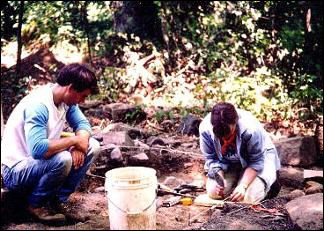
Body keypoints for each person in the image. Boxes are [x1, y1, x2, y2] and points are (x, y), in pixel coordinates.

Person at [1, 63, 101, 223]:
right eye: (82, 95)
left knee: (92, 146)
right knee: (63, 159)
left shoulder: (65, 101)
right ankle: (36, 204)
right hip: (15, 171)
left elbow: (83, 125)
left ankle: (58, 201)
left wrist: (80, 144)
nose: (83, 101)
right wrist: (75, 140)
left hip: (36, 165)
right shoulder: (38, 105)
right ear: (70, 88)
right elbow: (38, 150)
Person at [199, 102, 281, 204]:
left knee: (246, 198)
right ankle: (236, 179)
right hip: (227, 163)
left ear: (235, 121)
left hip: (258, 161)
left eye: (228, 134)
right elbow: (212, 159)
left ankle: (264, 185)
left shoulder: (251, 129)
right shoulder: (205, 129)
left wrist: (243, 186)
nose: (224, 138)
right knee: (213, 192)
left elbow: (257, 161)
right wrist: (220, 179)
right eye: (220, 136)